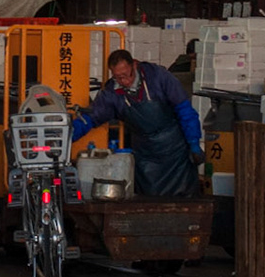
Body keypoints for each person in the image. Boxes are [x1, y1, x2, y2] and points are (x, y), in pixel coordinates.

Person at [70, 49, 203, 197]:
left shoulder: (158, 76)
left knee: (184, 198)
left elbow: (184, 110)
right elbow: (91, 118)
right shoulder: (111, 94)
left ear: (134, 65)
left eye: (126, 75)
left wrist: (194, 142)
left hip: (175, 150)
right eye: (118, 77)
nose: (124, 81)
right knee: (149, 199)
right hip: (145, 155)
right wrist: (67, 136)